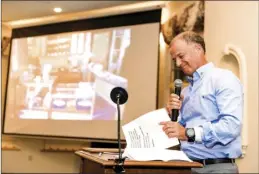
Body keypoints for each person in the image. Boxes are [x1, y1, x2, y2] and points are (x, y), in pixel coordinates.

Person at [159, 31, 243, 173]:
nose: (178, 63)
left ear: (198, 49)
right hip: (186, 166)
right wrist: (172, 115)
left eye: (181, 56)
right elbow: (180, 132)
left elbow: (231, 126)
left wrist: (187, 133)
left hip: (216, 168)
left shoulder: (223, 79)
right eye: (175, 60)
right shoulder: (185, 92)